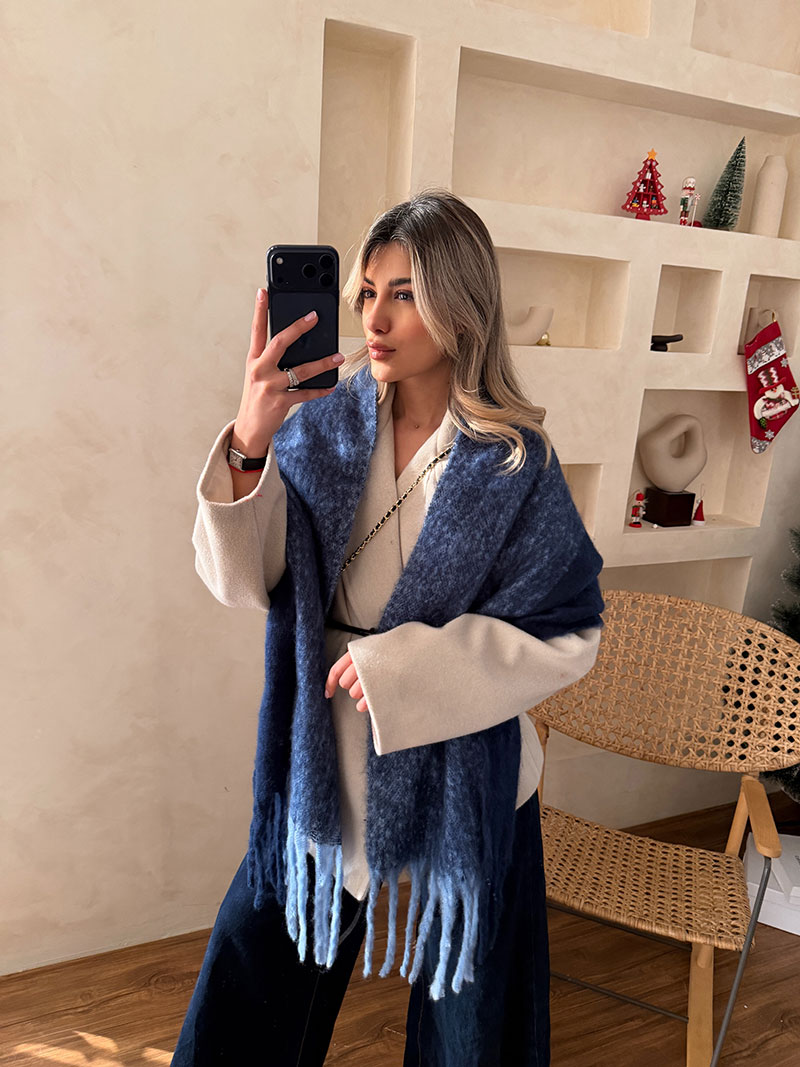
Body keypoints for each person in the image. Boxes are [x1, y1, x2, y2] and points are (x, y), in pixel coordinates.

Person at [173, 189, 604, 1067]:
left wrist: (408, 670)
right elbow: (242, 582)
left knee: (470, 1030)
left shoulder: (514, 461)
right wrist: (251, 440)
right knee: (249, 985)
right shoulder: (321, 429)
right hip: (321, 762)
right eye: (367, 292)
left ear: (460, 303)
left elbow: (570, 632)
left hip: (469, 779)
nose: (374, 318)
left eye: (404, 293)